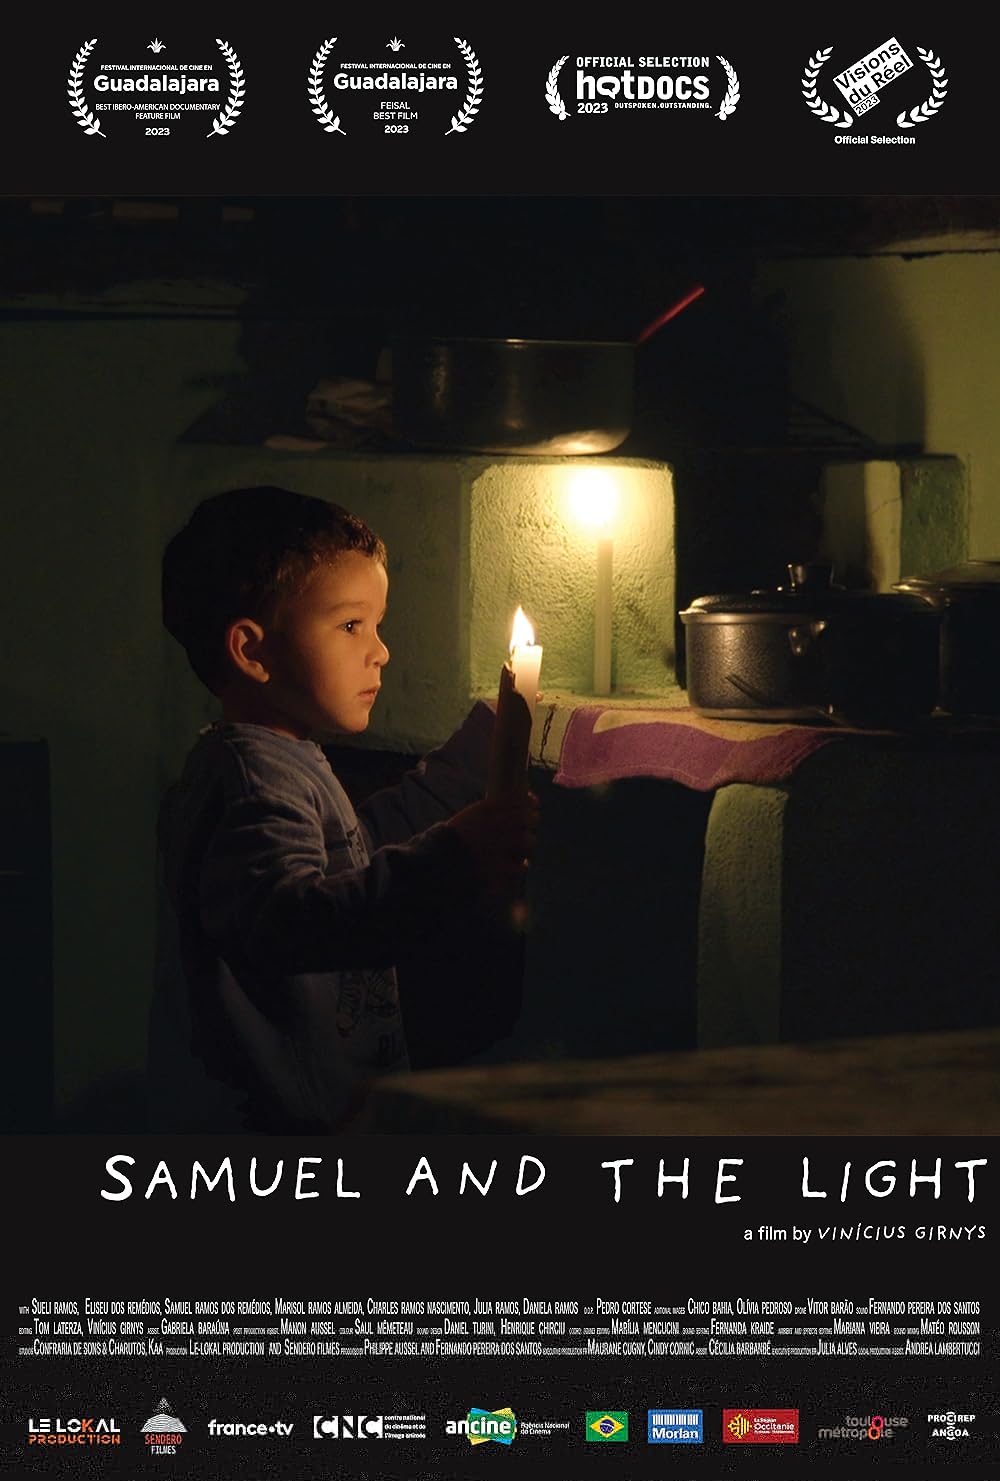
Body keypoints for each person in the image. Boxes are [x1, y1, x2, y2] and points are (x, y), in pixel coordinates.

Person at [147, 485, 538, 1133]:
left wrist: (480, 749)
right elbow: (289, 920)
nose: (380, 650)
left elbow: (357, 847)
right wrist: (452, 859)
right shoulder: (252, 777)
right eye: (352, 625)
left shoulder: (276, 755)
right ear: (253, 651)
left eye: (377, 625)